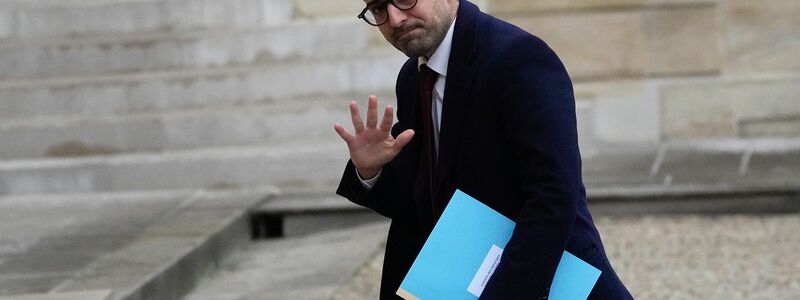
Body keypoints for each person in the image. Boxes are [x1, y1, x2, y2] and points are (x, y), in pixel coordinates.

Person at [333, 0, 633, 298]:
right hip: (459, 281)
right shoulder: (413, 78)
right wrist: (370, 170)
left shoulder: (518, 57)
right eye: (378, 9)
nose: (395, 18)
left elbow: (554, 196)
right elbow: (421, 198)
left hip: (549, 281)